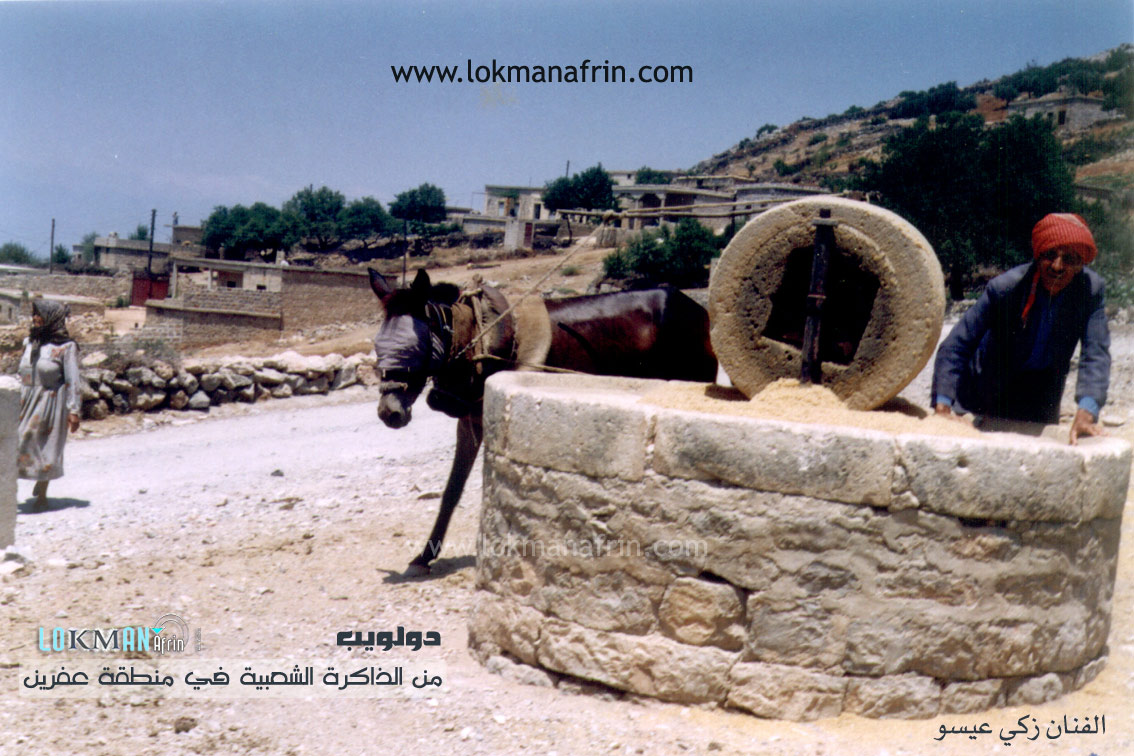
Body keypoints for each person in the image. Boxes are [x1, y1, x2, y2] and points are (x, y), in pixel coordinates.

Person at [932, 213, 1109, 445]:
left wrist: (1088, 409)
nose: (1057, 266)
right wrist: (943, 403)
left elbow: (1096, 353)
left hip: (1040, 395)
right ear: (1038, 255)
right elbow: (956, 345)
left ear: (1079, 266)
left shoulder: (1090, 291)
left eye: (1069, 259)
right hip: (987, 388)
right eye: (1050, 255)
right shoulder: (1006, 288)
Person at [17, 299, 81, 509]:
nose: (35, 318)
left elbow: (72, 380)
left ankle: (42, 491)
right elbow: (21, 372)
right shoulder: (29, 342)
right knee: (16, 443)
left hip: (49, 402)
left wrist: (74, 411)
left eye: (39, 314)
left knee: (44, 446)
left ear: (51, 318)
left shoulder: (66, 347)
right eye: (34, 314)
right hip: (25, 400)